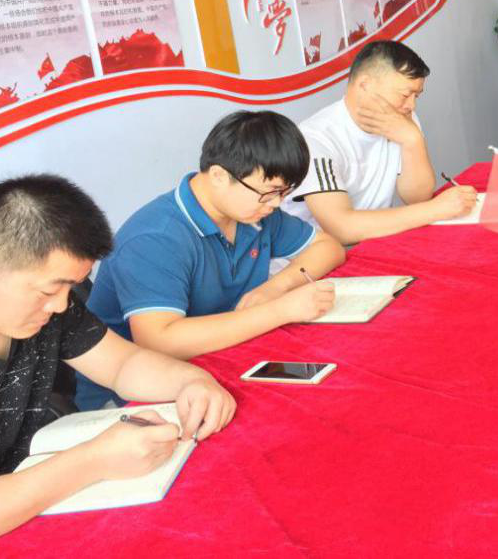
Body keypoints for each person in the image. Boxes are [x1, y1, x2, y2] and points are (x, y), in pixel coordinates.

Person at [0, 175, 236, 557]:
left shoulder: (42, 306)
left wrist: (191, 381)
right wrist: (93, 461)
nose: (61, 305)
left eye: (68, 289)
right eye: (49, 291)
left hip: (27, 509)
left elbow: (122, 365)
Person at [77, 111, 345, 409]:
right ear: (219, 176)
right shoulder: (156, 237)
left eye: (284, 193)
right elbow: (160, 342)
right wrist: (280, 310)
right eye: (269, 193)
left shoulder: (253, 211)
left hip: (220, 356)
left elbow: (328, 247)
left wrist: (276, 287)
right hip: (133, 396)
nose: (275, 204)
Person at [282, 40, 478, 244]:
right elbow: (342, 229)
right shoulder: (316, 139)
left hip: (375, 239)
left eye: (416, 96)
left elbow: (417, 198)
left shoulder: (403, 120)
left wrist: (412, 141)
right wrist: (436, 209)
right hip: (319, 252)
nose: (411, 105)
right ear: (364, 85)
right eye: (405, 95)